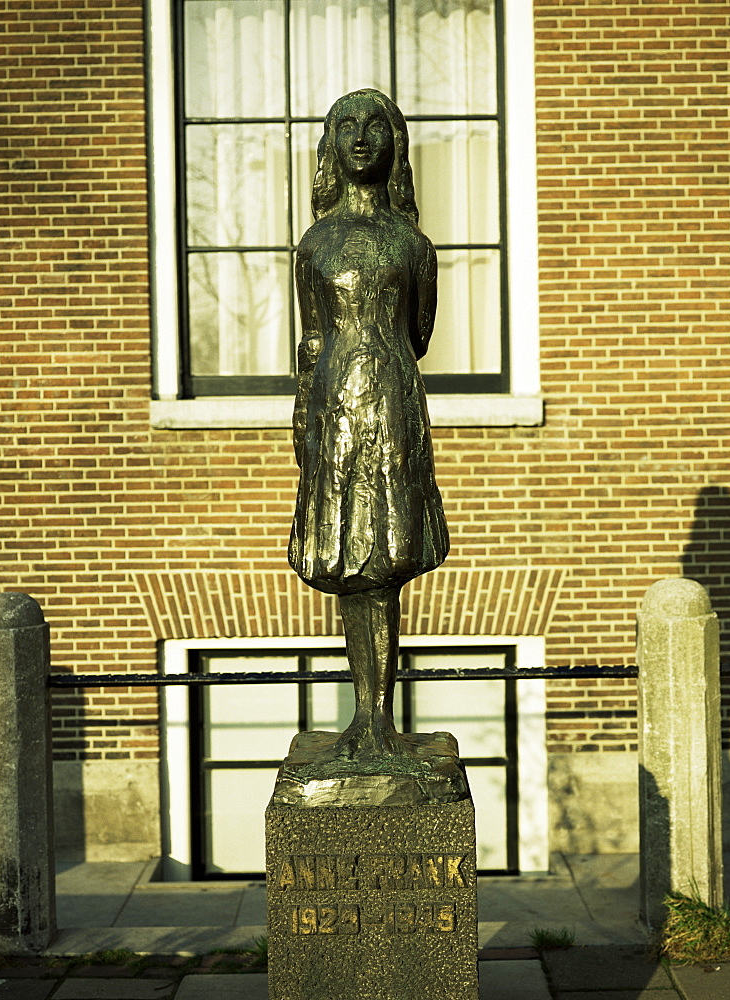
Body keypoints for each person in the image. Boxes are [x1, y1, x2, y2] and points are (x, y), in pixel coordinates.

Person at [289, 89, 449, 764]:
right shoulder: (314, 244)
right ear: (330, 144)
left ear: (394, 144)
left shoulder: (411, 243)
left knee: (385, 558)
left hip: (389, 405)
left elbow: (416, 334)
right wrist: (305, 418)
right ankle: (362, 717)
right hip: (332, 409)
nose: (359, 138)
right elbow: (310, 339)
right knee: (349, 561)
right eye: (345, 127)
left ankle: (379, 721)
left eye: (373, 127)